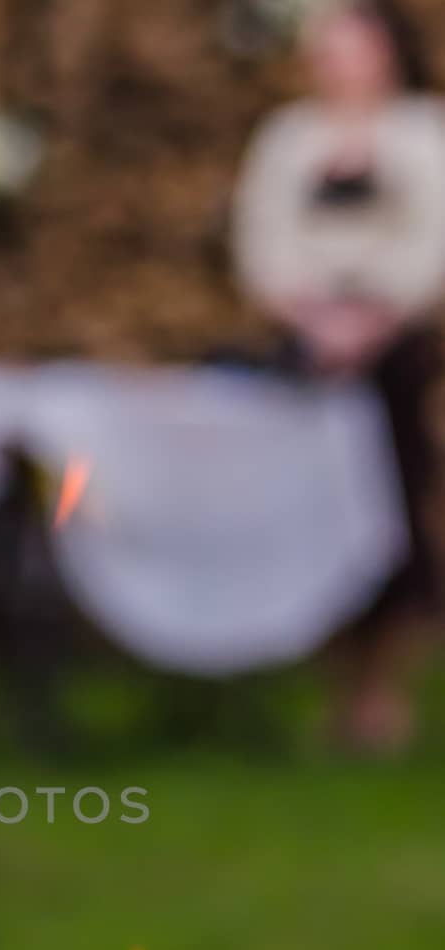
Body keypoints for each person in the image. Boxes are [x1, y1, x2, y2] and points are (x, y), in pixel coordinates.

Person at [233, 1, 445, 751]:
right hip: (308, 355)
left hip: (396, 353)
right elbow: (261, 236)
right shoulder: (289, 136)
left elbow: (431, 238)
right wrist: (315, 317)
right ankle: (333, 683)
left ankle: (383, 689)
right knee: (316, 516)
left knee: (392, 511)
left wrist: (374, 317)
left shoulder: (422, 131)